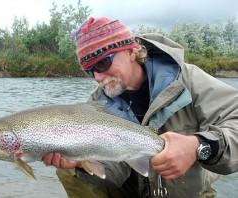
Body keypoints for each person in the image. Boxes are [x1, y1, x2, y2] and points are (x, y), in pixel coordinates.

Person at [42, 17, 238, 197]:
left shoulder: (186, 79)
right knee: (69, 172)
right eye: (89, 70)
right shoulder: (97, 105)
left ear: (131, 51)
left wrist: (199, 146)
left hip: (190, 193)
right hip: (133, 191)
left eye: (102, 63)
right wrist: (81, 163)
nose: (97, 77)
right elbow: (116, 171)